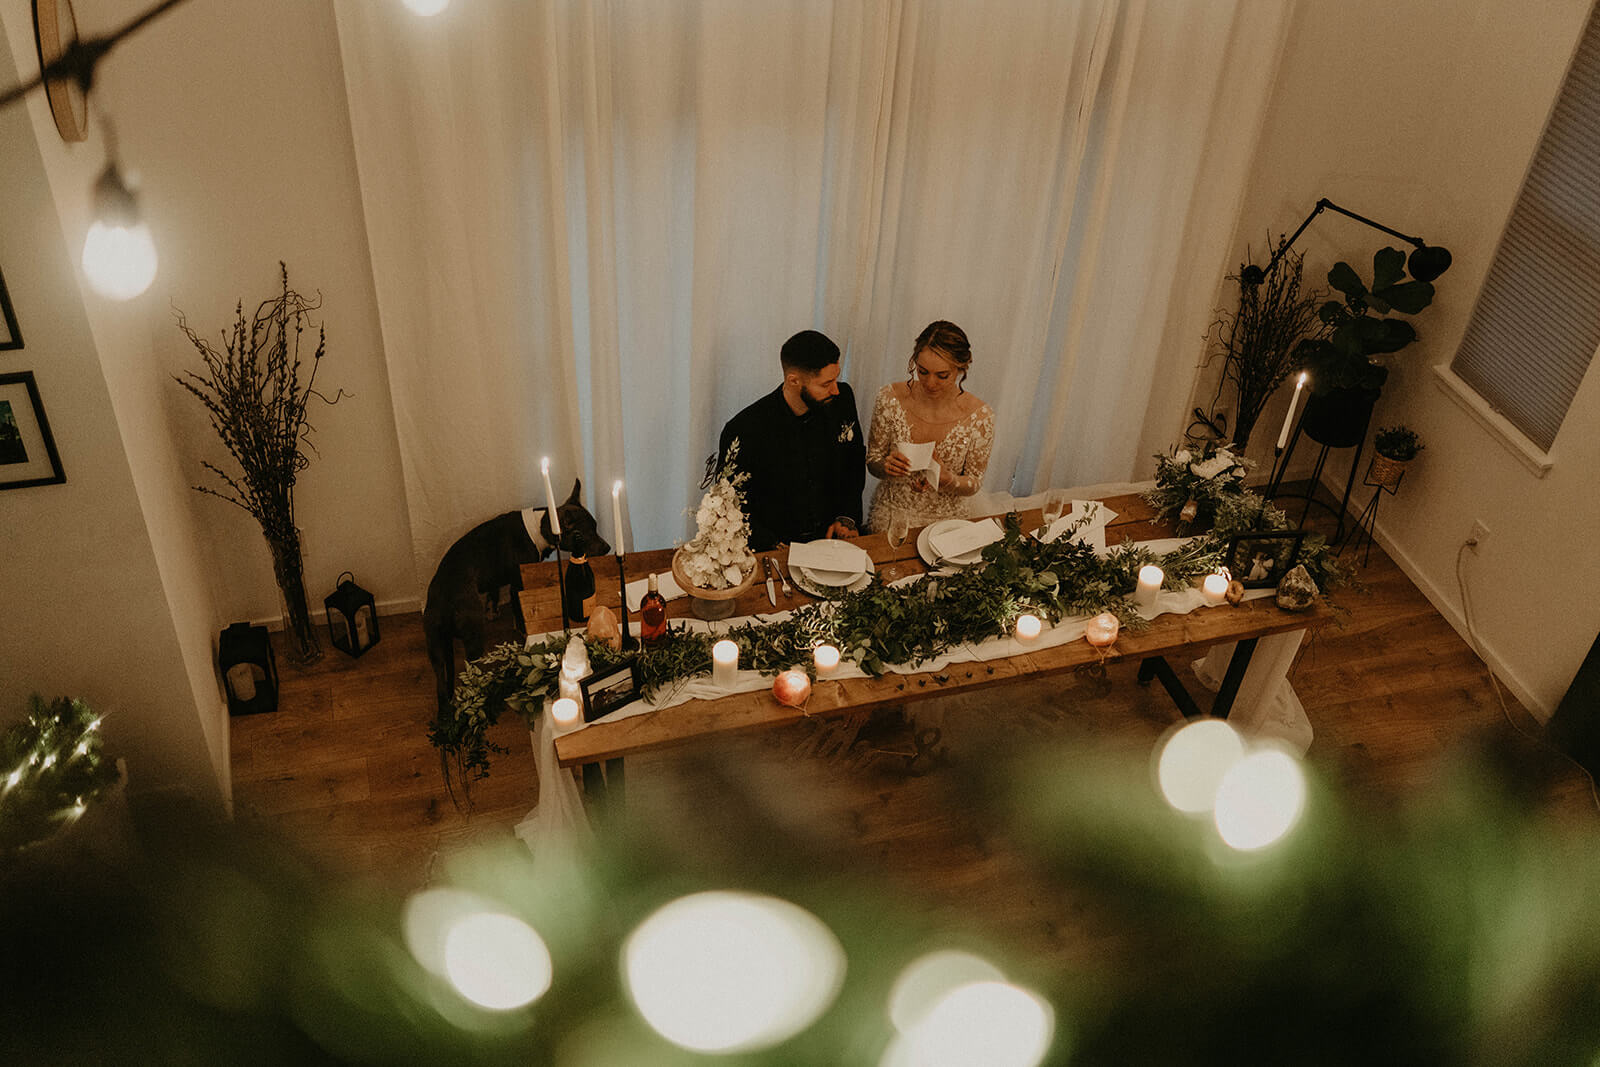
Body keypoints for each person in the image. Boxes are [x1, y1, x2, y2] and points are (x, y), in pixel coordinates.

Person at [718, 329, 866, 551]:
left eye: (836, 379)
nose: (835, 389)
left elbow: (853, 462)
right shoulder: (744, 429)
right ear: (794, 380)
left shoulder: (843, 400)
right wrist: (771, 545)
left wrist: (847, 518)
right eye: (826, 384)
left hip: (833, 542)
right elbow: (732, 503)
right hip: (775, 547)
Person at [865, 320, 995, 533]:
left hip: (948, 522)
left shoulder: (980, 416)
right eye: (922, 371)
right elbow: (873, 461)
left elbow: (975, 482)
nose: (930, 383)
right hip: (891, 515)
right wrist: (886, 467)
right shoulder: (889, 398)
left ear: (961, 368)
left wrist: (949, 480)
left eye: (942, 375)